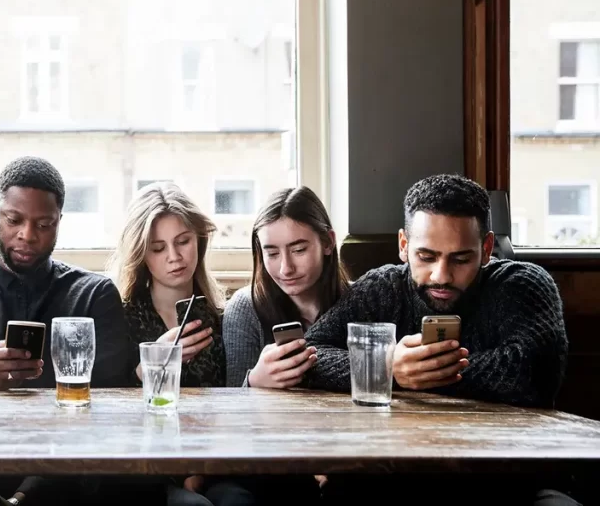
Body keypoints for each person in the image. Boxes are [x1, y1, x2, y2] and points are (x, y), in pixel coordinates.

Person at [304, 174, 576, 505]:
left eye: (460, 258)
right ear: (404, 246)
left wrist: (418, 374)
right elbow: (310, 353)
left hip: (504, 480)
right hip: (387, 477)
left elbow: (536, 371)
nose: (441, 276)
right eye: (427, 256)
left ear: (487, 248)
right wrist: (386, 366)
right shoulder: (381, 288)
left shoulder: (521, 284)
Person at [0, 156, 130, 505]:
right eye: (14, 220)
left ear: (60, 222)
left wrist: (29, 492)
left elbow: (111, 409)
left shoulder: (93, 295)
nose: (27, 235)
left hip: (71, 477)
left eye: (44, 224)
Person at [110, 182, 226, 506]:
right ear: (141, 255)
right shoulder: (120, 317)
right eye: (158, 248)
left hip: (217, 462)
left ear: (199, 241)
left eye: (183, 242)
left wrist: (200, 471)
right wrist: (147, 367)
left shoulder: (222, 318)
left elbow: (233, 405)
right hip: (141, 471)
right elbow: (105, 411)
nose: (174, 257)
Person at [223, 186, 350, 389]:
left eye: (299, 250)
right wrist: (254, 381)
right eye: (272, 254)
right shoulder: (246, 308)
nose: (286, 268)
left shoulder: (362, 299)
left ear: (328, 243)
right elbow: (230, 404)